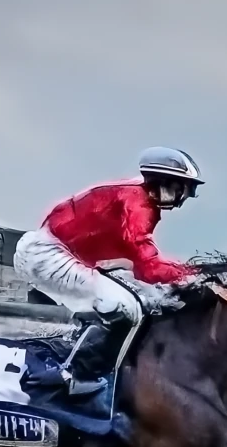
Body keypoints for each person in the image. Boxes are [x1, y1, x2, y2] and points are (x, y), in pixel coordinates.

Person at [13, 147, 203, 395]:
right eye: (182, 189)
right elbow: (150, 268)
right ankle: (70, 374)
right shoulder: (138, 205)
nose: (182, 199)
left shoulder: (139, 196)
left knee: (145, 300)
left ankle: (92, 355)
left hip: (58, 251)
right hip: (47, 255)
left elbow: (140, 261)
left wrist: (189, 273)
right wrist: (195, 274)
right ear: (164, 183)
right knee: (125, 307)